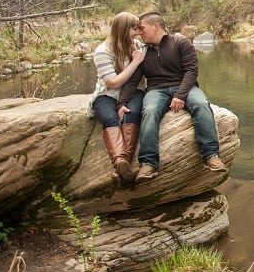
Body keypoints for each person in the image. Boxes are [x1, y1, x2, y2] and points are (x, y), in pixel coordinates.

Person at [118, 12, 227, 182]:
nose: (139, 32)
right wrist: (121, 103)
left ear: (156, 26)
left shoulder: (180, 42)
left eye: (142, 28)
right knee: (149, 111)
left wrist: (180, 95)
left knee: (201, 104)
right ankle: (148, 164)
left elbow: (191, 71)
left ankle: (211, 156)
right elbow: (133, 81)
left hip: (185, 86)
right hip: (156, 89)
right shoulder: (142, 51)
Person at [89, 11, 146, 183]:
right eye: (134, 28)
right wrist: (135, 62)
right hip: (106, 95)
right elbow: (113, 83)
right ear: (123, 29)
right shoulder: (102, 51)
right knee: (110, 119)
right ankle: (121, 163)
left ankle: (121, 165)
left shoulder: (137, 46)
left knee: (132, 113)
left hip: (132, 92)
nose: (137, 32)